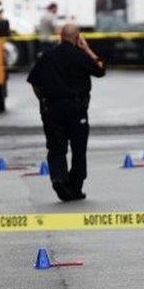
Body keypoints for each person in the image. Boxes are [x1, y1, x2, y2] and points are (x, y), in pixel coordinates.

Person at [27, 23, 106, 201]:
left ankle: (59, 179)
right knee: (79, 148)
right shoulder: (81, 56)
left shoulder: (47, 56)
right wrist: (87, 49)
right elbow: (101, 69)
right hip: (76, 109)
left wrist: (43, 100)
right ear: (78, 38)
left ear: (60, 36)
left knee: (56, 147)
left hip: (52, 108)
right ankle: (75, 187)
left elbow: (34, 81)